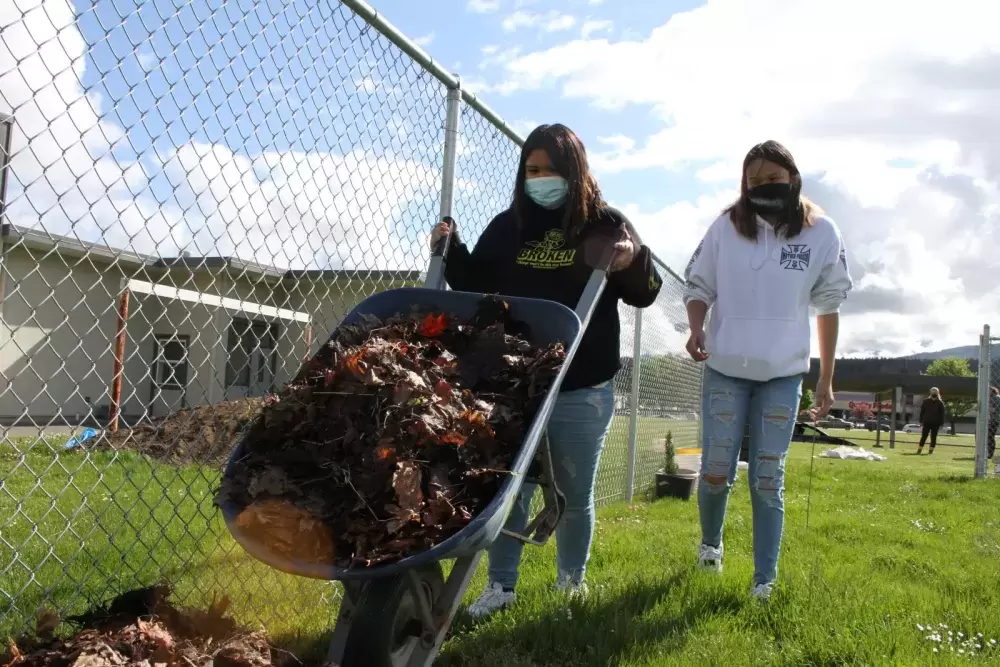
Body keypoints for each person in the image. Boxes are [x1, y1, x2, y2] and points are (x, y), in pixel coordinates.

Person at [429, 123, 662, 618]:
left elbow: (646, 289)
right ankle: (501, 588)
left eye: (552, 171)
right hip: (517, 386)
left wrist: (631, 257)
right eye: (533, 170)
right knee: (510, 490)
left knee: (575, 492)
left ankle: (570, 584)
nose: (541, 179)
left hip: (582, 385)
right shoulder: (507, 227)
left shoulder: (605, 223)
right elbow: (474, 281)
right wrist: (451, 247)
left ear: (575, 173)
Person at [682, 140, 853, 601]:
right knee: (716, 471)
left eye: (772, 180)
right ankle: (711, 546)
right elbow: (699, 284)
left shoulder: (821, 233)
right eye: (753, 182)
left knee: (766, 477)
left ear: (793, 179)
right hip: (725, 368)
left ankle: (764, 580)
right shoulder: (725, 227)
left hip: (783, 374)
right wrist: (697, 327)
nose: (763, 188)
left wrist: (826, 377)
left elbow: (829, 305)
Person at [916, 387, 946, 455]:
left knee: (933, 437)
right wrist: (921, 421)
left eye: (935, 392)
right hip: (927, 422)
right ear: (930, 393)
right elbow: (922, 412)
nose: (934, 393)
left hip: (936, 423)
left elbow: (942, 414)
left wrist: (942, 424)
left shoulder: (940, 403)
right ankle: (919, 450)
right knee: (924, 436)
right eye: (932, 392)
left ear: (937, 393)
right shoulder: (926, 401)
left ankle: (930, 451)